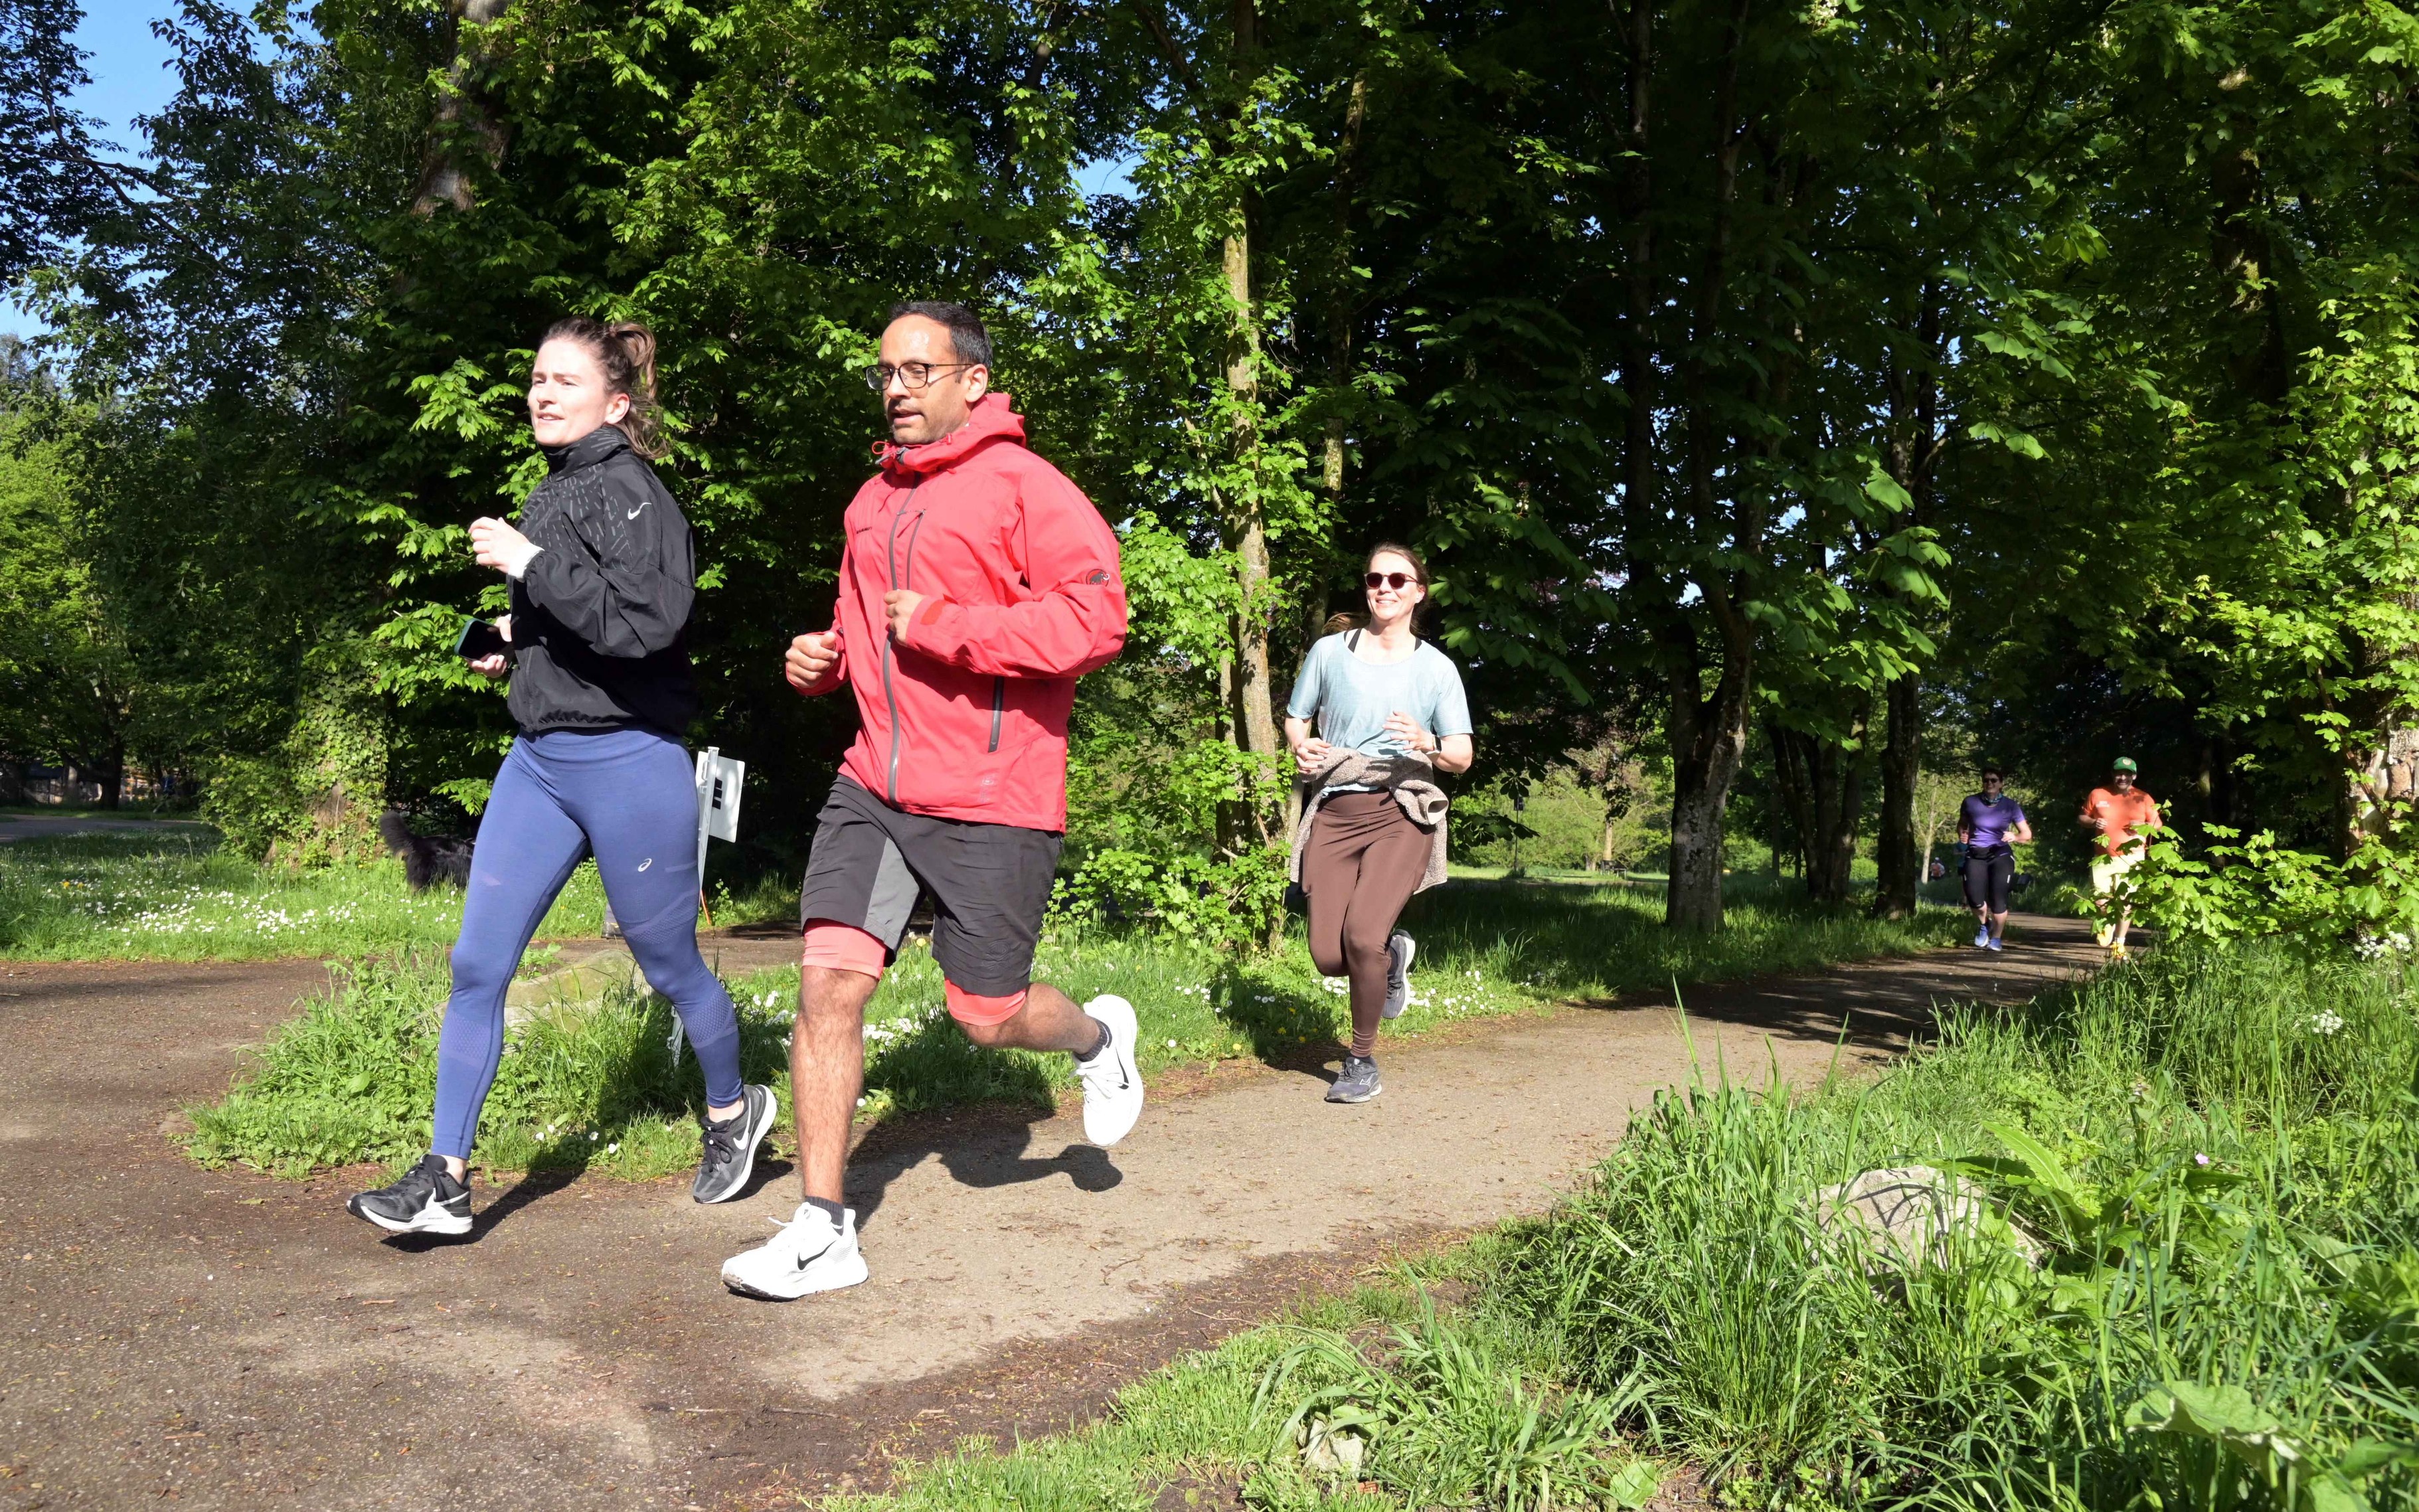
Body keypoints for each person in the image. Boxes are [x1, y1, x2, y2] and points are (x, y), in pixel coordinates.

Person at [720, 301, 1139, 1302]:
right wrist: (821, 663)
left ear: (972, 382)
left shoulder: (1028, 487)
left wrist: (951, 626)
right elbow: (862, 631)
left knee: (986, 1016)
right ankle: (824, 1228)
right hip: (874, 782)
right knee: (828, 987)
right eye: (886, 373)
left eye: (919, 371)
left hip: (993, 792)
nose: (897, 389)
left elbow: (1097, 622)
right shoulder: (871, 500)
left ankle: (1097, 1041)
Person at [348, 319, 774, 1237]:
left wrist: (529, 564)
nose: (542, 393)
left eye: (565, 381)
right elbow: (579, 621)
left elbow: (647, 624)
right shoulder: (555, 488)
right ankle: (445, 1178)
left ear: (615, 405)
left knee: (668, 964)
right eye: (538, 378)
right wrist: (513, 643)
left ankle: (733, 1112)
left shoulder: (633, 493)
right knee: (477, 965)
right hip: (539, 762)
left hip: (629, 760)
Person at [1284, 545, 1474, 1105]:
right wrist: (1301, 746)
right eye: (1374, 578)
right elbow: (1296, 717)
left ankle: (1361, 1060)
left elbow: (1461, 755)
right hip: (1337, 807)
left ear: (1418, 592)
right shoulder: (1329, 652)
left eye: (1397, 579)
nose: (1384, 587)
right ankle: (1393, 957)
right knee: (1328, 954)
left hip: (1401, 808)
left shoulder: (1436, 668)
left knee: (1362, 936)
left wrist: (1427, 742)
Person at [2082, 756, 2161, 959]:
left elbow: (2158, 824)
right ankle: (2107, 923)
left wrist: (2144, 827)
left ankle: (2119, 943)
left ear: (2134, 776)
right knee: (2100, 901)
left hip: (2132, 858)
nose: (2123, 778)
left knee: (2126, 902)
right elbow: (2082, 817)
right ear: (2113, 775)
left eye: (2127, 774)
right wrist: (2093, 823)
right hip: (2103, 857)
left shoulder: (2143, 798)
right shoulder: (2098, 794)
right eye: (2119, 774)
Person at [1955, 766, 2032, 953]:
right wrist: (1962, 834)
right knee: (1974, 899)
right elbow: (1962, 825)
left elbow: (2027, 834)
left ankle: (1996, 938)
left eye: (1994, 780)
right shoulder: (1970, 802)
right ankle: (1984, 924)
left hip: (2000, 854)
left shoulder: (2010, 805)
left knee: (1998, 900)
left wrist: (2015, 836)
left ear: (2001, 784)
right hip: (1976, 854)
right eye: (1986, 780)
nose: (1989, 783)